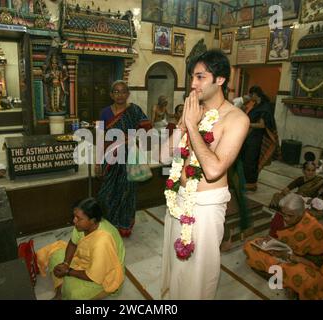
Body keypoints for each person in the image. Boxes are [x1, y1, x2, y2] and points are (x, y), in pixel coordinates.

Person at [161, 49, 250, 299]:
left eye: (200, 77)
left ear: (220, 79)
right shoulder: (192, 111)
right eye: (192, 77)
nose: (192, 84)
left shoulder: (236, 119)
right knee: (175, 269)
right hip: (179, 201)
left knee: (198, 276)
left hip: (206, 207)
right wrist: (182, 124)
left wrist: (192, 126)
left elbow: (212, 170)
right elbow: (161, 156)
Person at [243, 193, 323, 300]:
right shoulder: (280, 217)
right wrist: (268, 243)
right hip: (279, 255)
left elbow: (318, 262)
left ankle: (284, 280)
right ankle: (289, 283)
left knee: (309, 281)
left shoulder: (315, 228)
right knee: (249, 246)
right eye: (284, 214)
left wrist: (290, 257)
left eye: (290, 216)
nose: (286, 218)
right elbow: (272, 236)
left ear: (301, 213)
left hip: (302, 263)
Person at [36, 198, 125, 300]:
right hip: (87, 260)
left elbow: (94, 276)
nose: (74, 220)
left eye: (78, 218)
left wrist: (68, 271)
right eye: (74, 216)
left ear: (92, 221)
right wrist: (65, 264)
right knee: (55, 256)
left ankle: (65, 291)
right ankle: (59, 295)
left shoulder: (102, 242)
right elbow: (73, 243)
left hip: (105, 273)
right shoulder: (82, 226)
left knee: (74, 294)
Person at [96, 80, 152, 237]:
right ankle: (108, 225)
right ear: (111, 94)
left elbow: (147, 129)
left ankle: (124, 225)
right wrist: (98, 161)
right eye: (116, 91)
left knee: (127, 193)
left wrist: (132, 138)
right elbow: (100, 137)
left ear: (128, 94)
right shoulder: (104, 113)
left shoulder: (134, 110)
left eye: (123, 91)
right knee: (106, 194)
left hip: (129, 157)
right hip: (110, 157)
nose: (120, 95)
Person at [241, 85, 280, 191]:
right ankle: (245, 181)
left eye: (251, 94)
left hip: (256, 138)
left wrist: (248, 124)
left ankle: (251, 184)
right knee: (246, 159)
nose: (249, 96)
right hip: (250, 137)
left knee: (251, 160)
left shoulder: (265, 106)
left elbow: (262, 125)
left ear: (255, 94)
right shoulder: (256, 105)